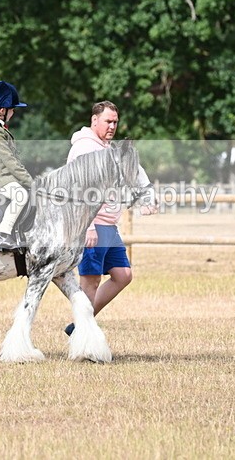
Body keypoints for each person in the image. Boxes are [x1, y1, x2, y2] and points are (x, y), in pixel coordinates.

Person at [65, 101, 157, 335]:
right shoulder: (85, 148)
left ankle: (79, 326)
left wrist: (148, 196)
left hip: (108, 225)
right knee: (91, 280)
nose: (113, 126)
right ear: (94, 120)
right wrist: (87, 227)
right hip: (90, 224)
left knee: (123, 275)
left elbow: (136, 170)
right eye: (108, 121)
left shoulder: (108, 148)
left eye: (115, 121)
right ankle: (83, 336)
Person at [0, 81, 33, 251]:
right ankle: (3, 234)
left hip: (4, 176)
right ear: (2, 110)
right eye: (12, 108)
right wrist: (30, 181)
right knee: (21, 195)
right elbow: (10, 161)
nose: (14, 111)